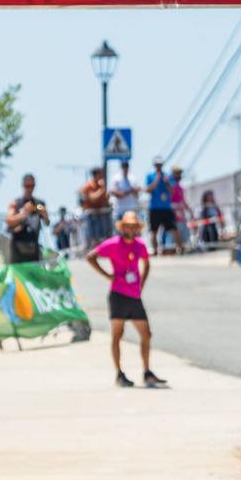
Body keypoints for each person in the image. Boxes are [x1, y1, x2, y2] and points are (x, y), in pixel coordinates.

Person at [86, 211, 166, 388]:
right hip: (118, 295)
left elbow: (147, 264)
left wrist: (141, 284)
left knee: (146, 333)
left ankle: (147, 371)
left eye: (133, 226)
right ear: (123, 227)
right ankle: (119, 374)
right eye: (128, 226)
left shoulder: (139, 245)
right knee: (117, 334)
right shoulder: (114, 244)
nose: (130, 229)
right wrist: (108, 275)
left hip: (134, 295)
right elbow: (91, 257)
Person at [144, 156, 185, 255]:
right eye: (157, 165)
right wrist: (156, 180)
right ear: (154, 166)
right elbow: (148, 190)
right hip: (154, 208)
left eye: (160, 165)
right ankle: (154, 250)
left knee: (174, 229)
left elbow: (172, 191)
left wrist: (166, 182)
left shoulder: (167, 176)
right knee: (153, 231)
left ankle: (181, 248)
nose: (159, 167)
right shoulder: (150, 176)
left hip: (166, 208)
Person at [6, 173, 49, 264]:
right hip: (18, 249)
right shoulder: (16, 203)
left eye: (31, 186)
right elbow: (9, 221)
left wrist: (44, 214)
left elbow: (47, 222)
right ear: (23, 186)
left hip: (34, 248)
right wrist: (24, 213)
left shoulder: (39, 204)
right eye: (27, 186)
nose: (29, 188)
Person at [79, 167, 111, 246]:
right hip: (91, 216)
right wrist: (102, 189)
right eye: (100, 174)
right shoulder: (88, 186)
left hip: (102, 215)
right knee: (93, 238)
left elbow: (106, 200)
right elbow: (93, 198)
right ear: (96, 175)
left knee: (104, 235)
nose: (102, 176)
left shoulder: (101, 186)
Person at [170, 167, 193, 250]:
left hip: (181, 215)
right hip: (173, 215)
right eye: (177, 173)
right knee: (174, 234)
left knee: (184, 232)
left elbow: (183, 200)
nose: (179, 175)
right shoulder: (170, 186)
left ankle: (184, 248)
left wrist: (190, 211)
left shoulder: (180, 187)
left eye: (180, 173)